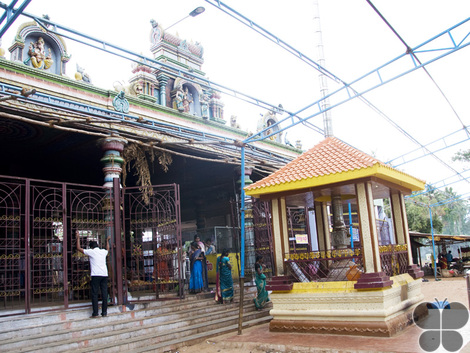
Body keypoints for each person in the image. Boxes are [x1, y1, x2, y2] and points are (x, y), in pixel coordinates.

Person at [76, 231, 110, 318]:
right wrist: (107, 241)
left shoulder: (91, 252)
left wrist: (78, 238)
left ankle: (95, 313)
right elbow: (108, 249)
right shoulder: (103, 252)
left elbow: (79, 248)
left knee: (94, 294)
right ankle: (104, 312)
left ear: (91, 247)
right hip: (104, 275)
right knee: (104, 294)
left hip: (95, 275)